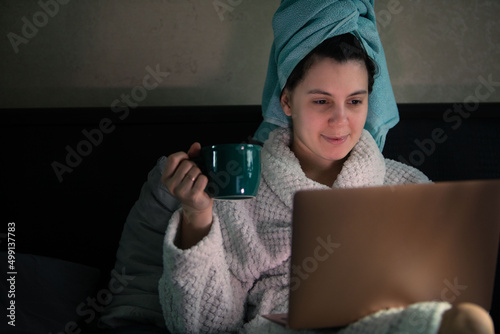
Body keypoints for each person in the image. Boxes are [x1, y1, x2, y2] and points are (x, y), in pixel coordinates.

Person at [158, 33, 494, 333]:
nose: (340, 120)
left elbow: (446, 295)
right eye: (321, 101)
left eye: (355, 101)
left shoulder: (410, 186)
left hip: (385, 325)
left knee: (467, 322)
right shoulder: (238, 195)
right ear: (287, 101)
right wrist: (196, 216)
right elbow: (203, 325)